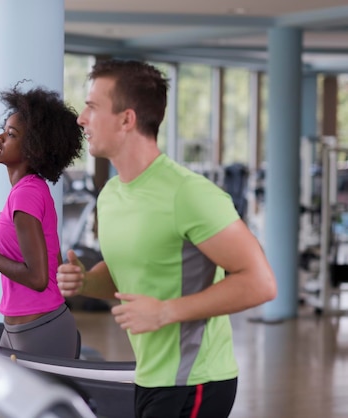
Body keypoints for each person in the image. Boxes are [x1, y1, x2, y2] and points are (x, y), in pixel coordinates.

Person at [56, 59, 277, 418]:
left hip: (196, 381)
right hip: (148, 374)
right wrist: (86, 280)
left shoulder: (188, 194)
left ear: (127, 119)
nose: (81, 118)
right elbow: (129, 275)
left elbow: (261, 282)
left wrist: (165, 312)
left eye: (92, 107)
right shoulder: (111, 194)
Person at [0, 85, 84, 358]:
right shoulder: (27, 190)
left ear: (32, 148)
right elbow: (51, 263)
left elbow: (37, 278)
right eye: (4, 130)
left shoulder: (26, 193)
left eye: (11, 134)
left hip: (40, 329)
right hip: (20, 329)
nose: (0, 137)